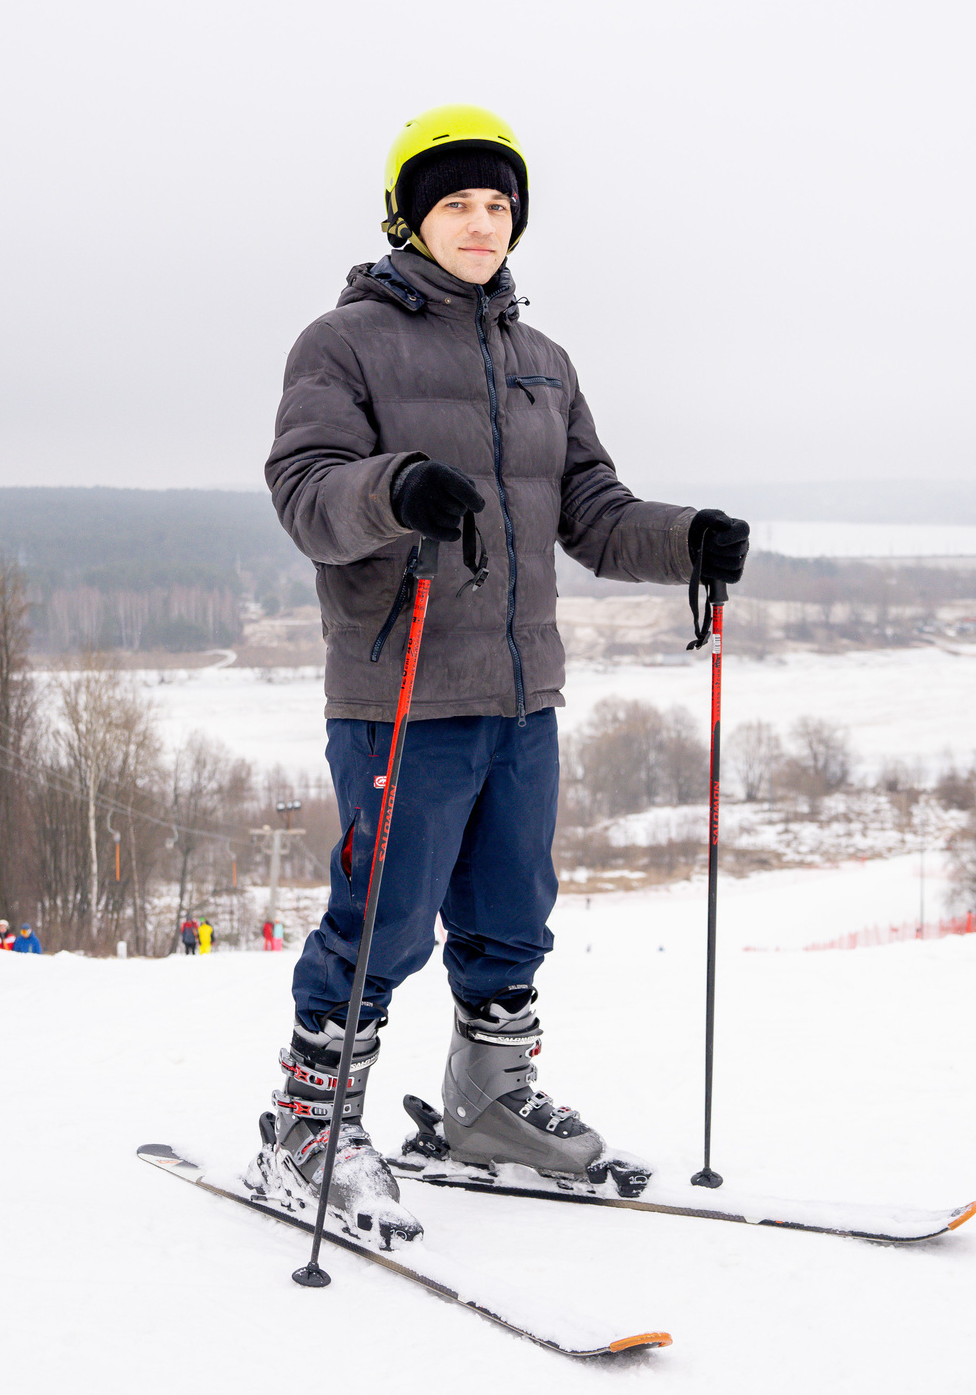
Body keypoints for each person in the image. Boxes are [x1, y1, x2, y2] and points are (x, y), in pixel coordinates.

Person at [252, 104, 750, 1244]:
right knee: (383, 920)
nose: (481, 224)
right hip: (403, 687)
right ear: (409, 216)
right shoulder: (343, 344)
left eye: (497, 205)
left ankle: (487, 1102)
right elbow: (307, 493)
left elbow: (592, 511)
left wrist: (688, 539)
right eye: (456, 204)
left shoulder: (541, 361)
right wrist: (393, 489)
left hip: (522, 692)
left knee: (513, 912)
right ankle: (308, 1120)